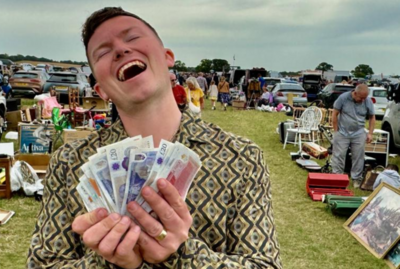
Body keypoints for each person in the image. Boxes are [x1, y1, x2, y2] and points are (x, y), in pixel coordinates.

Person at [27, 7, 282, 269]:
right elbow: (42, 265)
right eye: (103, 52)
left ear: (167, 56)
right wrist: (109, 260)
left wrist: (182, 253)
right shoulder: (70, 163)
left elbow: (265, 265)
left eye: (132, 38)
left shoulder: (241, 156)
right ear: (100, 90)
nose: (120, 50)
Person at [332, 84, 375, 188]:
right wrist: (336, 131)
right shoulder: (343, 98)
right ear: (355, 93)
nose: (363, 100)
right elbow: (335, 114)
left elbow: (372, 117)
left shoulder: (367, 101)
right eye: (361, 97)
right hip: (342, 132)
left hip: (359, 132)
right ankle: (337, 178)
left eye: (365, 98)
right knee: (339, 155)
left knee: (358, 156)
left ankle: (356, 179)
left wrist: (370, 133)